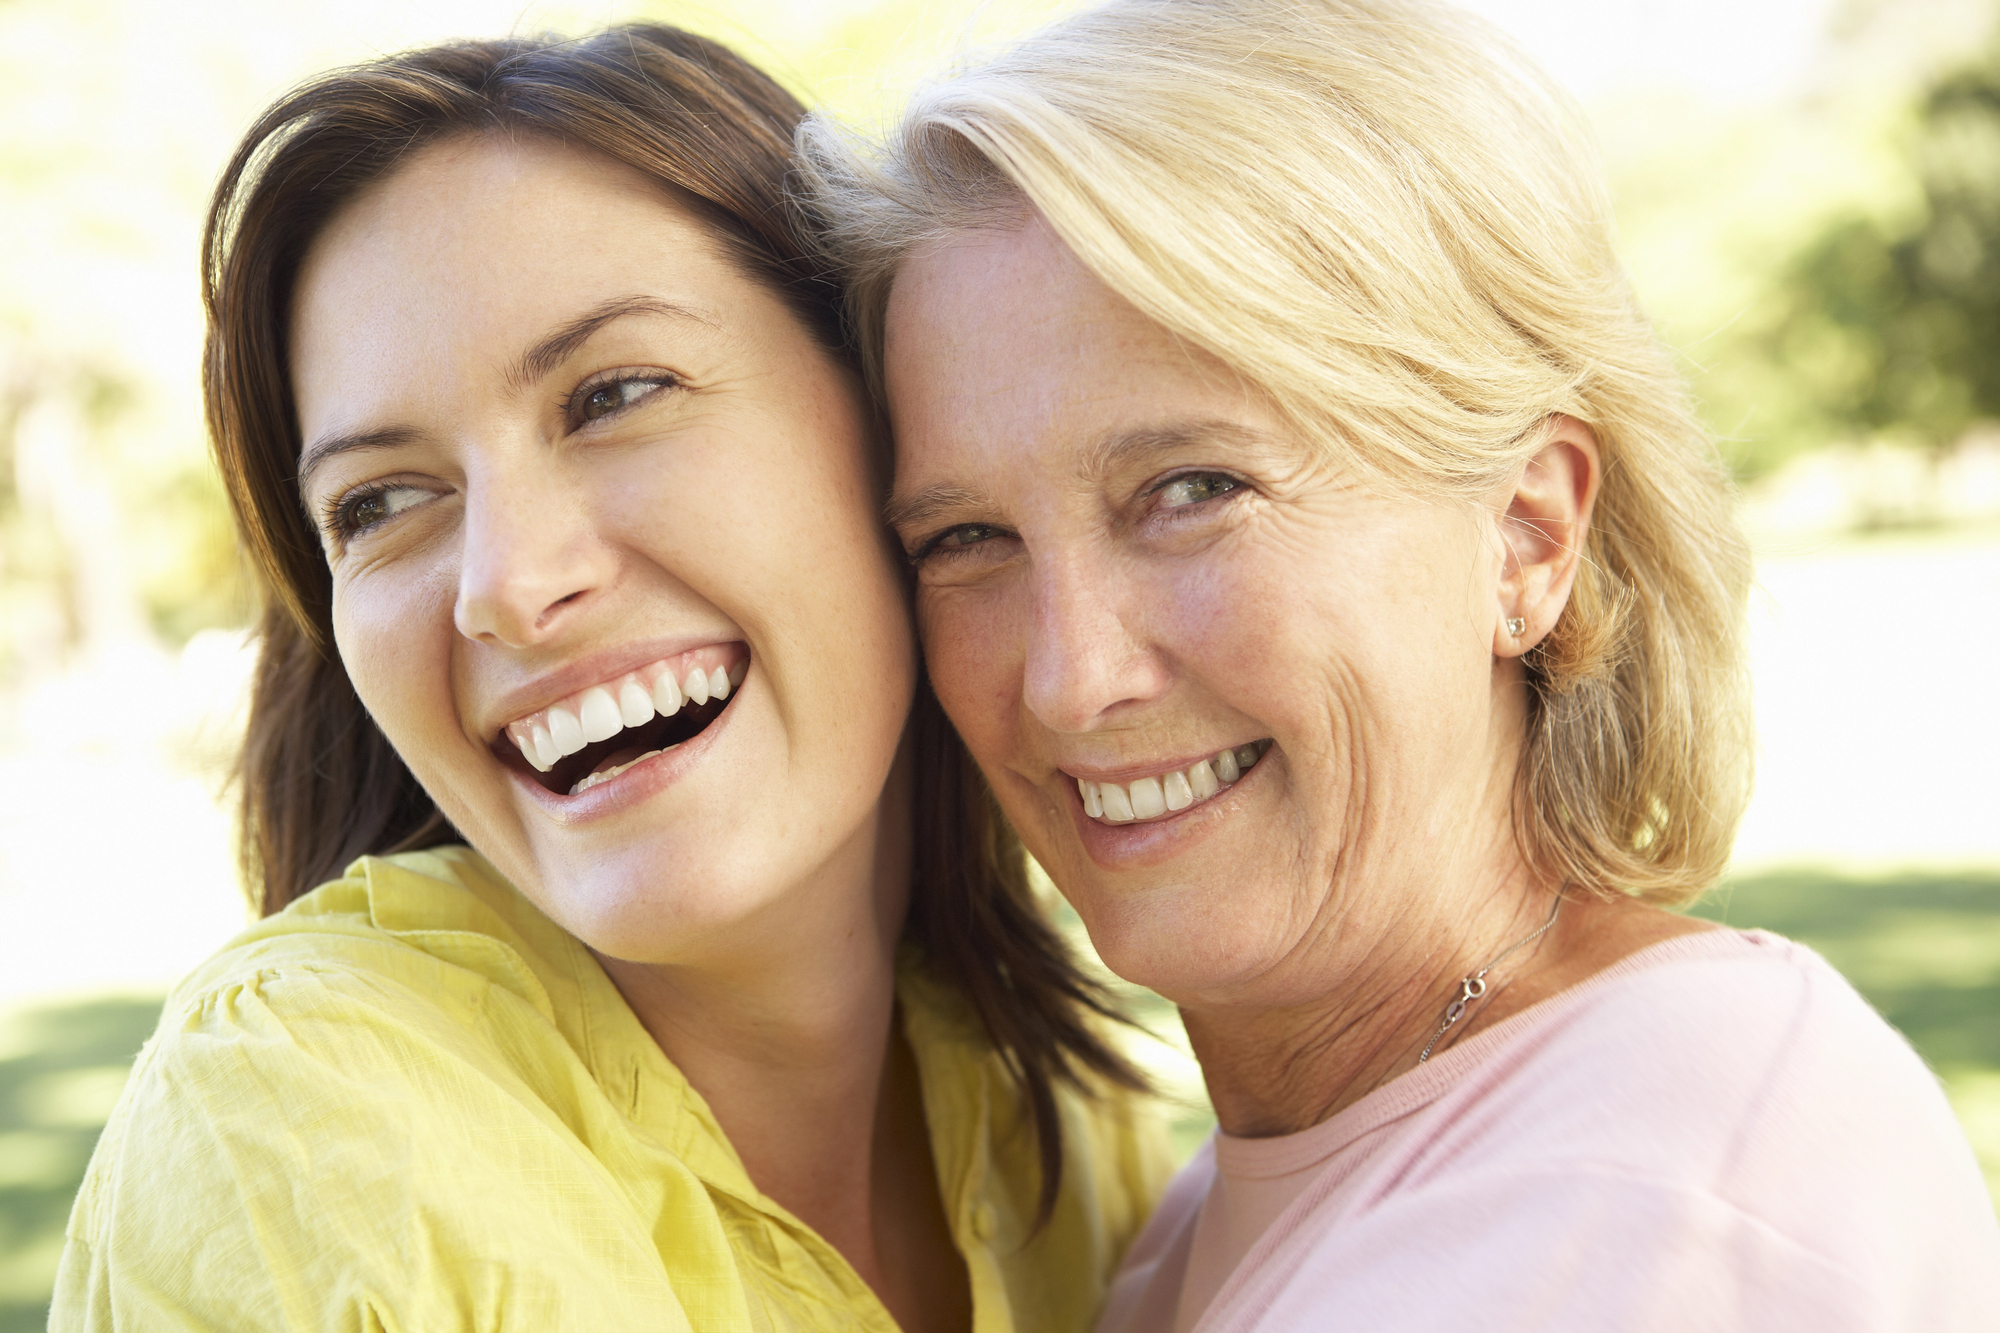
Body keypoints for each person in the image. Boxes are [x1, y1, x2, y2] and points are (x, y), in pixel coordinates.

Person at [800, 0, 2000, 1327]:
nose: (1070, 678)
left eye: (1194, 488)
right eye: (967, 536)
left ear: (1526, 538)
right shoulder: (1269, 1186)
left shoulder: (1639, 1199)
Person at [52, 26, 1169, 1332]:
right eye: (382, 500)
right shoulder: (305, 1130)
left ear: (891, 417)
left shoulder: (1081, 1132)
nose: (505, 584)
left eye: (617, 393)